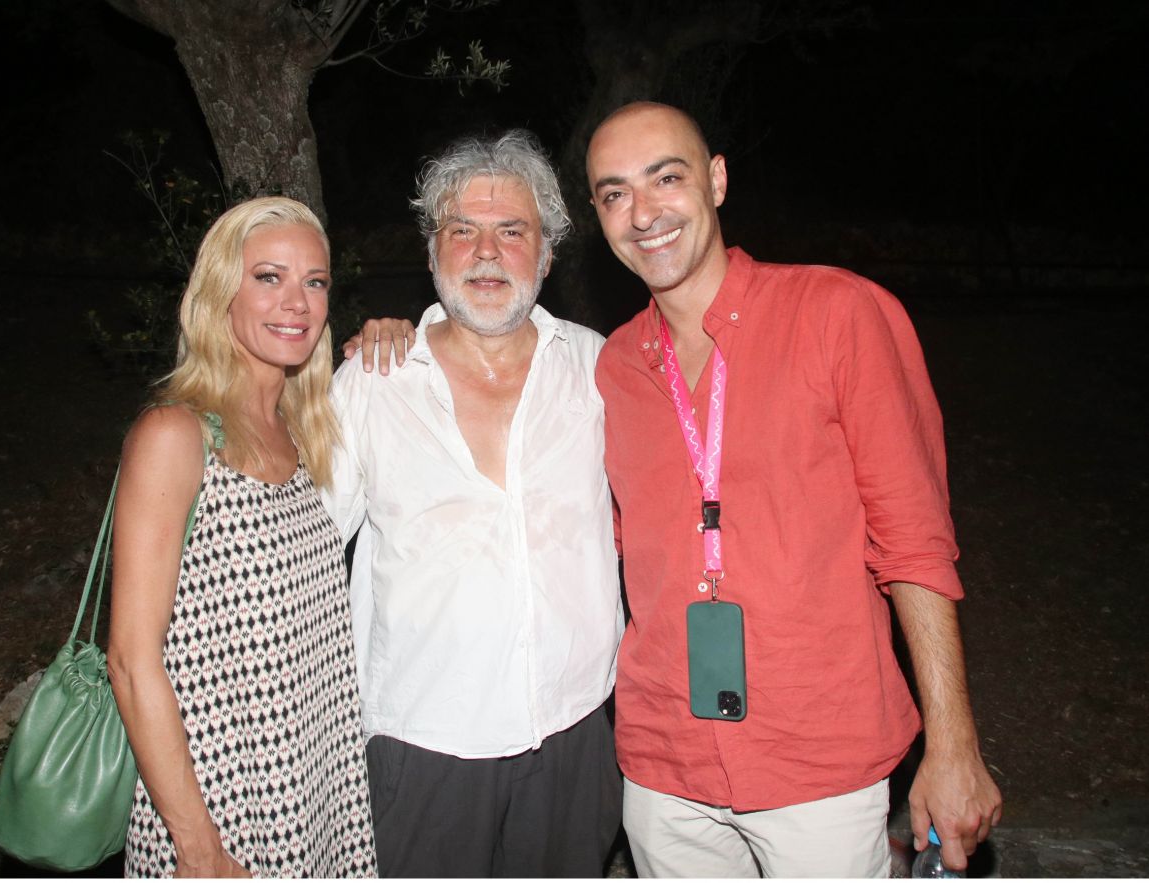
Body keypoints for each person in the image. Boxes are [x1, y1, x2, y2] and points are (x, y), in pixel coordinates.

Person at [586, 101, 1003, 877]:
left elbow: (914, 540)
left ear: (716, 180)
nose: (642, 213)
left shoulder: (837, 314)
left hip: (819, 765)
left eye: (665, 178)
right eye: (614, 193)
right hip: (663, 768)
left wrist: (953, 745)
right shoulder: (611, 367)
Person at [322, 131, 624, 877]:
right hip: (422, 742)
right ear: (433, 253)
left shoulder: (599, 371)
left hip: (573, 733)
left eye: (512, 231)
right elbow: (304, 551)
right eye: (463, 231)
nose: (487, 253)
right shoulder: (373, 383)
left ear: (547, 256)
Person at [107, 197, 378, 878]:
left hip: (314, 779)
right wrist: (198, 846)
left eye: (315, 281)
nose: (296, 303)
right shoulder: (176, 435)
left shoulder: (302, 430)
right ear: (220, 292)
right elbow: (132, 661)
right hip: (219, 800)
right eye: (268, 277)